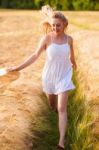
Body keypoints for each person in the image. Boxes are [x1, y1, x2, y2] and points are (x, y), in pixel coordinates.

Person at [8, 5, 77, 150]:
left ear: (64, 24)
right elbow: (35, 56)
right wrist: (17, 67)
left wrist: (74, 63)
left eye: (58, 25)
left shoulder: (69, 39)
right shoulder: (47, 39)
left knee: (62, 108)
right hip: (49, 77)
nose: (55, 28)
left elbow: (72, 55)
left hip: (64, 75)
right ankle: (58, 114)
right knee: (53, 106)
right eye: (53, 25)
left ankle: (61, 142)